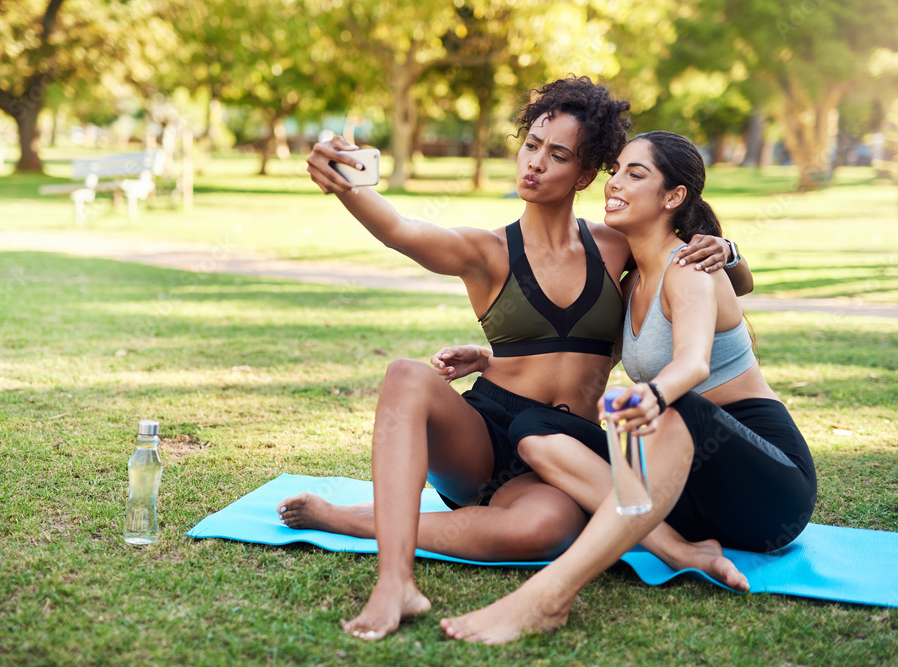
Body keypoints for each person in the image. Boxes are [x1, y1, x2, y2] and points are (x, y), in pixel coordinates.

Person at [282, 77, 751, 641]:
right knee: (406, 373)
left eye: (557, 155)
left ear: (583, 175)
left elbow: (728, 283)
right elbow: (400, 230)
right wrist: (346, 185)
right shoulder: (485, 251)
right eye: (531, 145)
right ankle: (394, 582)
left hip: (562, 453)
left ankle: (348, 518)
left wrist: (727, 250)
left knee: (549, 530)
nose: (534, 163)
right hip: (482, 436)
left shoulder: (619, 244)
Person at [437, 130, 817, 645]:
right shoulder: (631, 283)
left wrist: (656, 396)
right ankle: (676, 546)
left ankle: (549, 597)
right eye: (616, 169)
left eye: (635, 174)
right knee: (535, 426)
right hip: (686, 491)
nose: (615, 182)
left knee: (676, 407)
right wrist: (487, 357)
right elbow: (591, 357)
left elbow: (692, 364)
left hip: (768, 488)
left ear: (673, 197)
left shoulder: (690, 268)